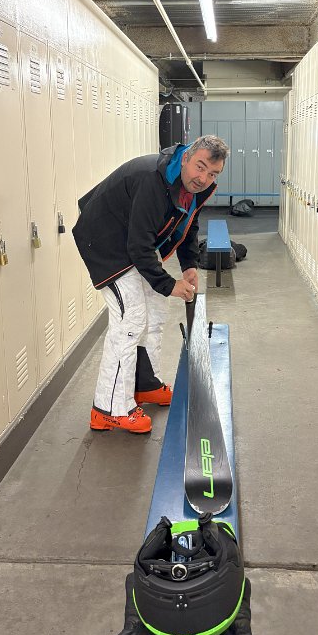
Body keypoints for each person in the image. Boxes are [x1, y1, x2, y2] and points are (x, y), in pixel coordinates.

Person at [73, 135, 229, 434]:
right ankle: (109, 409)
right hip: (105, 240)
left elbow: (189, 223)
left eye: (213, 174)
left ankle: (145, 384)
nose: (203, 179)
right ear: (186, 157)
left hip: (131, 238)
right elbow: (139, 246)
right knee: (130, 319)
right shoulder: (152, 181)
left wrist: (189, 264)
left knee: (155, 310)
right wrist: (168, 284)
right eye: (200, 167)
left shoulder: (193, 187)